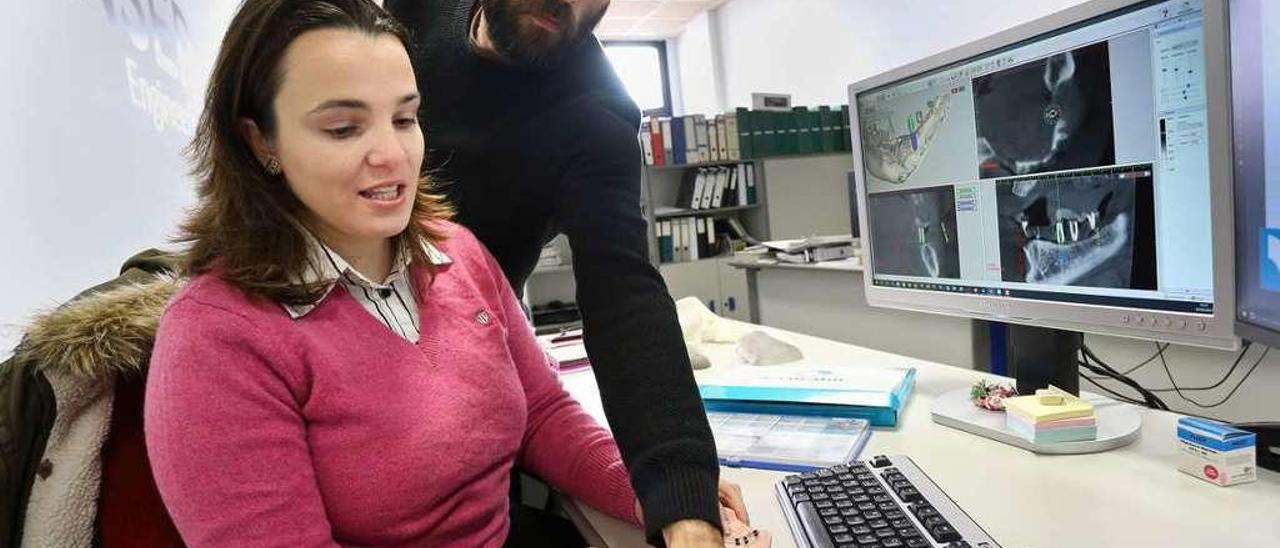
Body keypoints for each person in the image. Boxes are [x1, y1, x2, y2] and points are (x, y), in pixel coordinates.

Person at [144, 1, 645, 545]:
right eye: (343, 127)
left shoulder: (458, 252)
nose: (393, 154)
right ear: (260, 140)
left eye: (405, 119)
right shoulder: (217, 338)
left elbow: (543, 413)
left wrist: (653, 490)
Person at [382, 1, 734, 544]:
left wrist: (678, 488)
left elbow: (624, 295)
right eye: (341, 127)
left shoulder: (594, 112)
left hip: (466, 356)